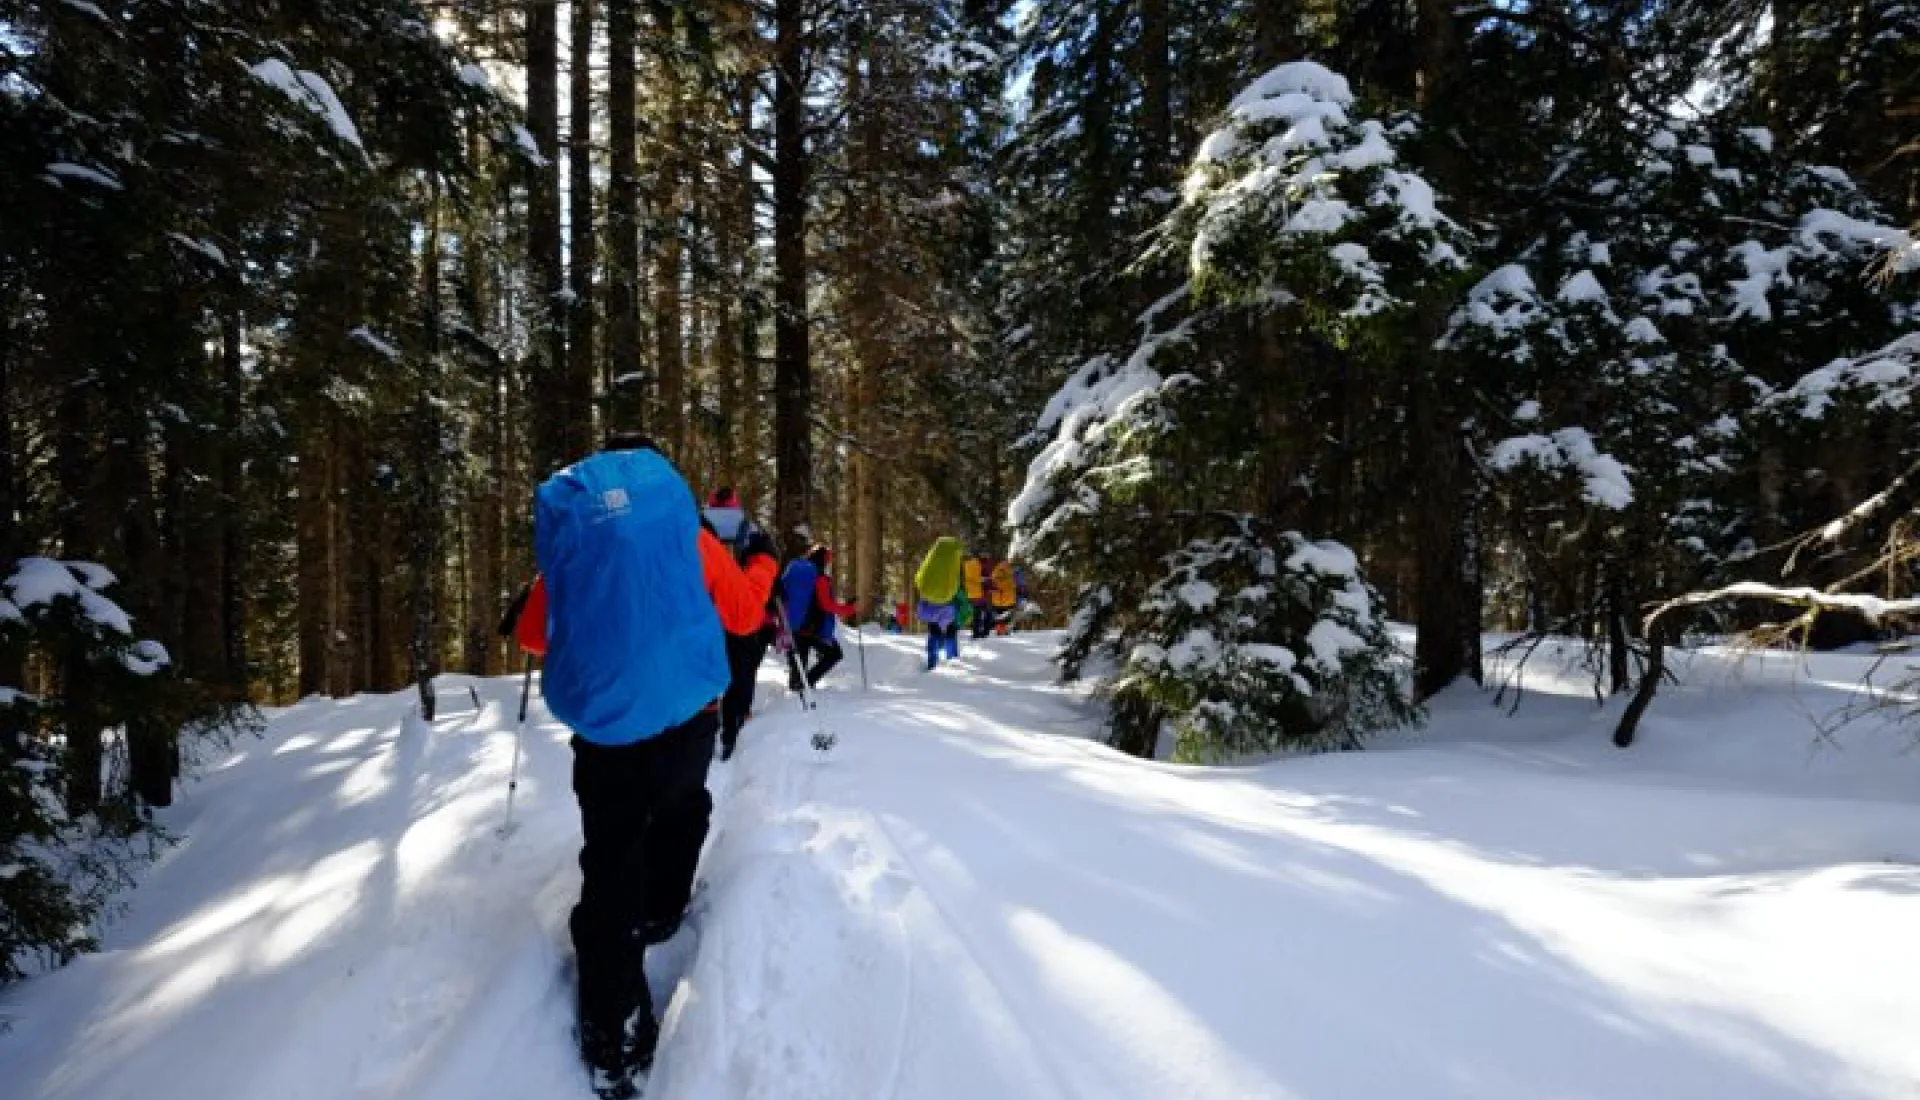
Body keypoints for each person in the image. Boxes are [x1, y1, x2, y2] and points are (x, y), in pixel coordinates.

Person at [522, 433, 777, 1099]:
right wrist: (765, 566)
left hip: (607, 733)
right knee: (684, 809)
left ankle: (614, 1040)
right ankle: (663, 910)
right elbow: (746, 615)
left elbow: (530, 634)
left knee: (611, 863)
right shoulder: (686, 536)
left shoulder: (579, 542)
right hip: (691, 713)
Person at [702, 487, 773, 761]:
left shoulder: (697, 528)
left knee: (711, 674)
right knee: (740, 672)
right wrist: (766, 562)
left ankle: (716, 728)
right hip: (737, 613)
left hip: (708, 617)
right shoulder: (747, 530)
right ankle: (732, 729)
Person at [781, 543, 857, 690]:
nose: (828, 563)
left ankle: (798, 689)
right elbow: (827, 605)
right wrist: (850, 609)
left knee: (797, 672)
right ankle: (805, 684)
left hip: (794, 626)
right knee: (834, 654)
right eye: (828, 560)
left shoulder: (796, 572)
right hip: (814, 629)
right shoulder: (820, 578)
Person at [915, 536, 965, 670]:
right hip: (947, 601)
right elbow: (958, 581)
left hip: (930, 601)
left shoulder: (931, 558)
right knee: (950, 629)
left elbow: (920, 576)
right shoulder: (954, 560)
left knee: (934, 630)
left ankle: (932, 661)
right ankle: (952, 659)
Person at [964, 554, 993, 639]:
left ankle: (976, 633)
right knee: (988, 613)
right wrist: (992, 587)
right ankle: (985, 633)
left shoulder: (967, 564)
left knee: (976, 614)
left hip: (972, 594)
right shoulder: (983, 565)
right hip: (982, 595)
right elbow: (986, 580)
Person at [990, 558, 1017, 636]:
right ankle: (1004, 631)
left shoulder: (995, 572)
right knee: (1006, 616)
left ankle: (999, 630)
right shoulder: (1010, 573)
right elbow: (1012, 586)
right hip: (1008, 599)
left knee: (999, 616)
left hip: (997, 600)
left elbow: (992, 584)